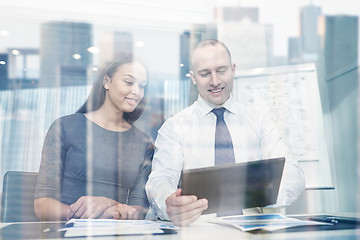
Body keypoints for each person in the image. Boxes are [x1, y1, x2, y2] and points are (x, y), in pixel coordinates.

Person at [145, 39, 305, 226]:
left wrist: (256, 191)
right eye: (205, 74)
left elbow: (293, 173)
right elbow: (160, 178)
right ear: (193, 77)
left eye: (221, 71)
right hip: (199, 232)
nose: (215, 81)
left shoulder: (260, 121)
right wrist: (169, 202)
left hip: (252, 232)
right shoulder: (174, 127)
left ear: (233, 69)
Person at [34, 54, 154, 221]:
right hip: (69, 231)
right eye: (129, 82)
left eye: (142, 86)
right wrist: (82, 214)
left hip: (118, 231)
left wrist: (109, 205)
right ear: (106, 81)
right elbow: (42, 205)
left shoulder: (143, 142)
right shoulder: (65, 127)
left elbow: (138, 208)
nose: (136, 91)